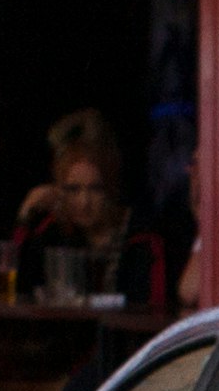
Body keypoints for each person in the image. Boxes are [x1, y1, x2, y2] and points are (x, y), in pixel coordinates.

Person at [14, 110, 171, 314]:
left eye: (95, 189)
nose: (84, 202)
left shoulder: (142, 238)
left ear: (111, 188)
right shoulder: (52, 231)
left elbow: (153, 310)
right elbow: (16, 288)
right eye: (73, 190)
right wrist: (25, 217)